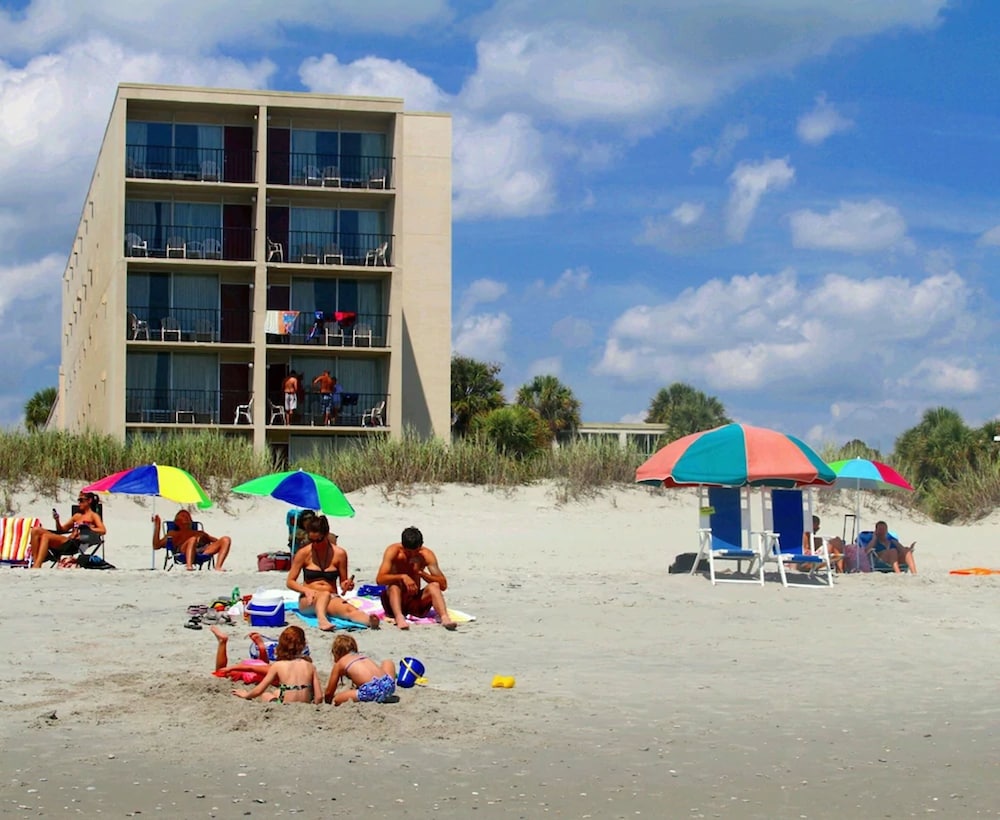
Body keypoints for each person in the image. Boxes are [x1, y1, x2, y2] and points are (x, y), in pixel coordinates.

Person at [285, 515, 380, 631]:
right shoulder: (303, 553)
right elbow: (290, 582)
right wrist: (306, 590)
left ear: (326, 535)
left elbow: (343, 582)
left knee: (350, 610)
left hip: (331, 597)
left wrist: (347, 585)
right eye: (311, 540)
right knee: (323, 594)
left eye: (318, 540)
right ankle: (322, 620)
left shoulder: (339, 554)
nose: (315, 544)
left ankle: (369, 620)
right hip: (309, 599)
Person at [376, 526, 456, 630]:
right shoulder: (393, 551)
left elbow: (443, 585)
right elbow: (380, 579)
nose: (412, 555)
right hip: (396, 600)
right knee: (394, 586)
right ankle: (399, 618)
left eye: (416, 551)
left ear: (421, 545)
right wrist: (402, 577)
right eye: (408, 552)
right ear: (403, 546)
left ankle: (444, 618)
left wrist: (421, 573)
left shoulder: (426, 555)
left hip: (415, 601)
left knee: (434, 586)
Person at [228, 625, 322, 703]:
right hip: (305, 704)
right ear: (303, 645)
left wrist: (245, 695)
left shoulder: (278, 665)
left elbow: (259, 690)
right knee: (279, 691)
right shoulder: (310, 666)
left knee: (266, 694)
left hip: (284, 705)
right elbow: (319, 697)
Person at [29, 490, 106, 568]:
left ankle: (37, 565)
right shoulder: (77, 516)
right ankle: (36, 563)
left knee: (45, 536)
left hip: (77, 543)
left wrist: (88, 528)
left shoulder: (93, 516)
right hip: (68, 541)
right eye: (78, 500)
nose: (79, 503)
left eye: (81, 500)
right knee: (35, 530)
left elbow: (103, 530)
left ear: (89, 501)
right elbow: (62, 530)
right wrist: (57, 520)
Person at [325, 634, 397, 705]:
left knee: (337, 699)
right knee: (387, 662)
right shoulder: (361, 656)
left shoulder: (340, 663)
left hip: (371, 691)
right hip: (388, 685)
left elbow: (329, 693)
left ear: (336, 652)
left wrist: (328, 700)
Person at [152, 509, 232, 571]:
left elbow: (217, 542)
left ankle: (218, 566)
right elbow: (156, 545)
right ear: (176, 522)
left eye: (188, 516)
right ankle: (189, 566)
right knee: (192, 540)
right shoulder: (173, 533)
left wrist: (205, 538)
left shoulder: (198, 532)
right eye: (183, 516)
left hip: (202, 551)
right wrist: (157, 526)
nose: (186, 517)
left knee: (226, 539)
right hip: (184, 551)